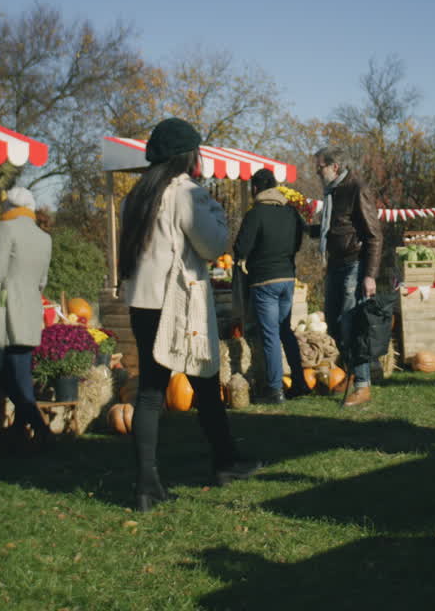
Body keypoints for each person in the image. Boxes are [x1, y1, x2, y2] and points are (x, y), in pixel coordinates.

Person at [119, 117, 261, 512]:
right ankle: (224, 463)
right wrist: (216, 211)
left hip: (142, 303)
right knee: (202, 378)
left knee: (152, 391)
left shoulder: (135, 197)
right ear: (187, 155)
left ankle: (148, 483)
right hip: (178, 304)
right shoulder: (185, 193)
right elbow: (213, 246)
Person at [308, 146, 383, 406]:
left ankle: (363, 385)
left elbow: (374, 235)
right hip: (336, 264)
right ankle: (352, 373)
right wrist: (308, 227)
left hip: (355, 264)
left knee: (352, 325)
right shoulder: (333, 192)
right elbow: (335, 229)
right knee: (333, 321)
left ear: (334, 166)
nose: (317, 171)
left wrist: (370, 275)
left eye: (320, 166)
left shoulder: (356, 188)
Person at [233, 168, 310, 405]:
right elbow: (298, 241)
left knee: (270, 335)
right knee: (285, 331)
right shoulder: (290, 212)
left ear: (255, 189)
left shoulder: (256, 214)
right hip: (287, 279)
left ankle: (275, 390)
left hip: (264, 281)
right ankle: (300, 382)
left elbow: (240, 248)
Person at [0, 187, 54, 449]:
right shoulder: (43, 237)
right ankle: (21, 432)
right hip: (30, 309)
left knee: (8, 375)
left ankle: (40, 427)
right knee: (21, 370)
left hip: (5, 311)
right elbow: (42, 281)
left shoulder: (5, 229)